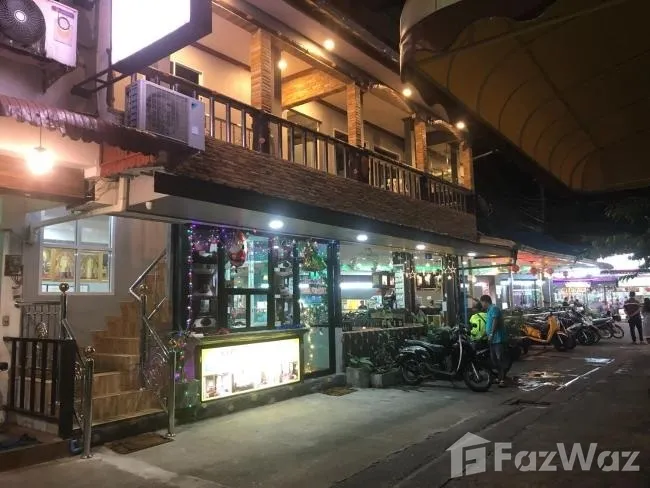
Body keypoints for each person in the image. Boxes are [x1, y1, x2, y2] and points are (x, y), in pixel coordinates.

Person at [480, 295, 508, 387]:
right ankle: (499, 377)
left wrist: (491, 334)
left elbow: (495, 321)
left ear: (485, 301)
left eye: (482, 302)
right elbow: (489, 324)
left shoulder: (494, 308)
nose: (482, 305)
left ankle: (502, 379)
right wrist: (484, 335)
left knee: (499, 359)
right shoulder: (489, 310)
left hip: (497, 339)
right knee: (494, 359)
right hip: (492, 340)